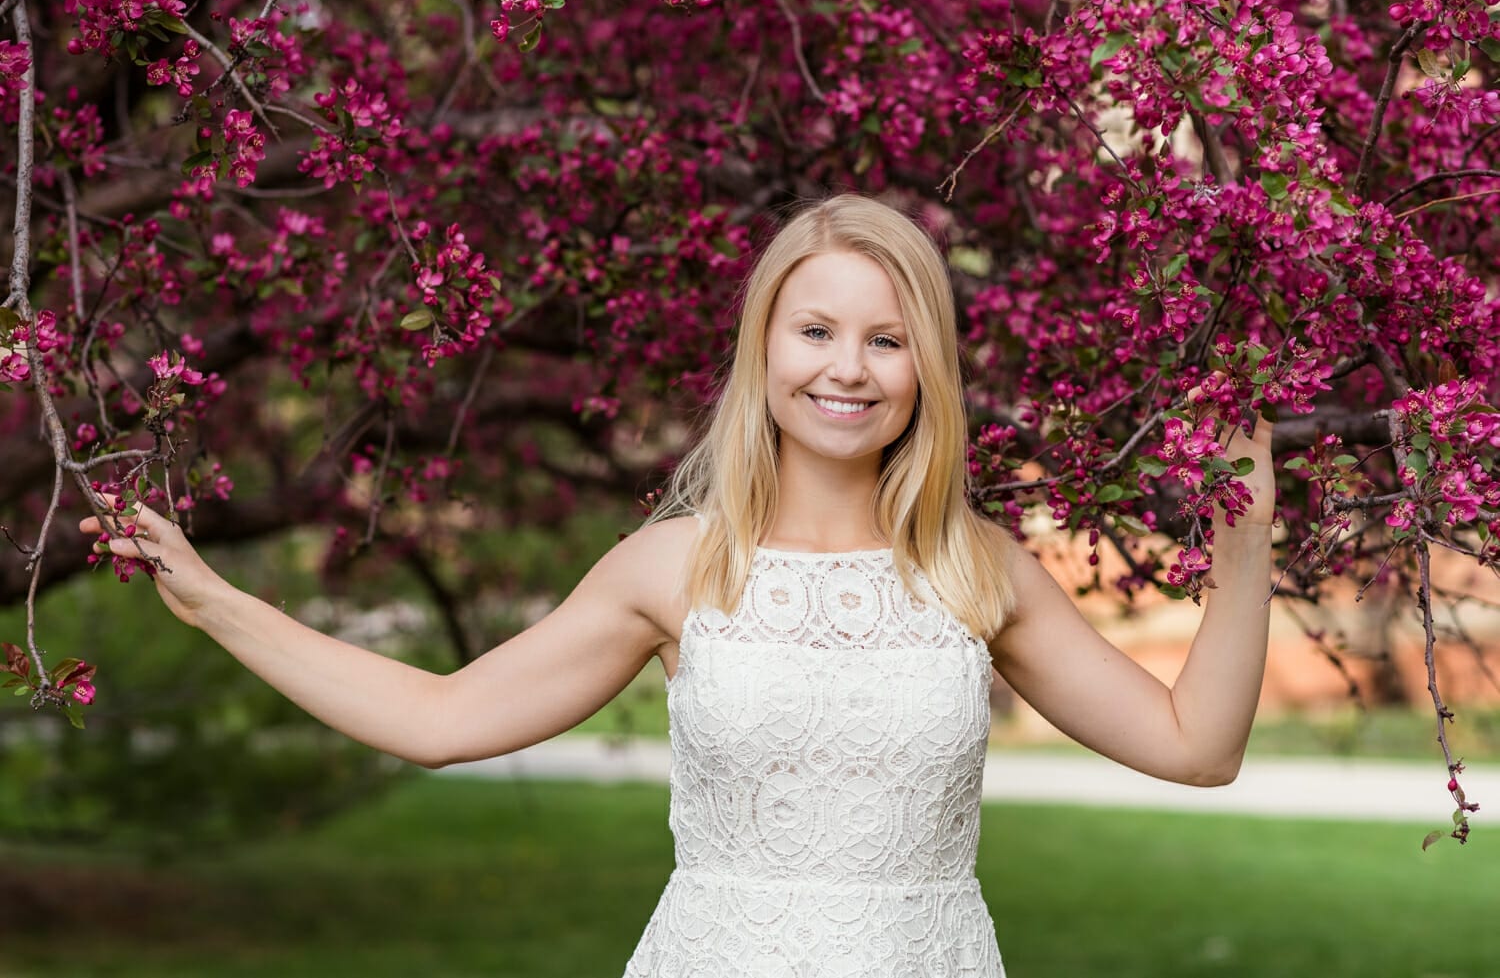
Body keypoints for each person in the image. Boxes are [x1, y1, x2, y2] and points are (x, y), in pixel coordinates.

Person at [82, 194, 1274, 976]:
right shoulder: (676, 565)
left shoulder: (978, 566)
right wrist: (216, 600)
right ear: (764, 347)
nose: (847, 369)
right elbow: (443, 719)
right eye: (815, 330)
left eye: (887, 338)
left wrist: (1245, 530)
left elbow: (1196, 745)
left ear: (928, 367)